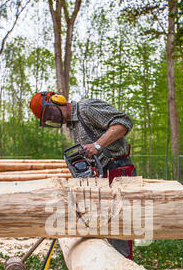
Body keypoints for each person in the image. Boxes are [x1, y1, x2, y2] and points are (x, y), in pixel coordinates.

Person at [29, 91, 136, 259]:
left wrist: (97, 146)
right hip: (102, 174)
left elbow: (124, 122)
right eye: (48, 118)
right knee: (103, 227)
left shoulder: (86, 109)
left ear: (58, 101)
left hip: (118, 169)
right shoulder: (71, 126)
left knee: (118, 229)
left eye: (50, 113)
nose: (52, 118)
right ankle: (109, 267)